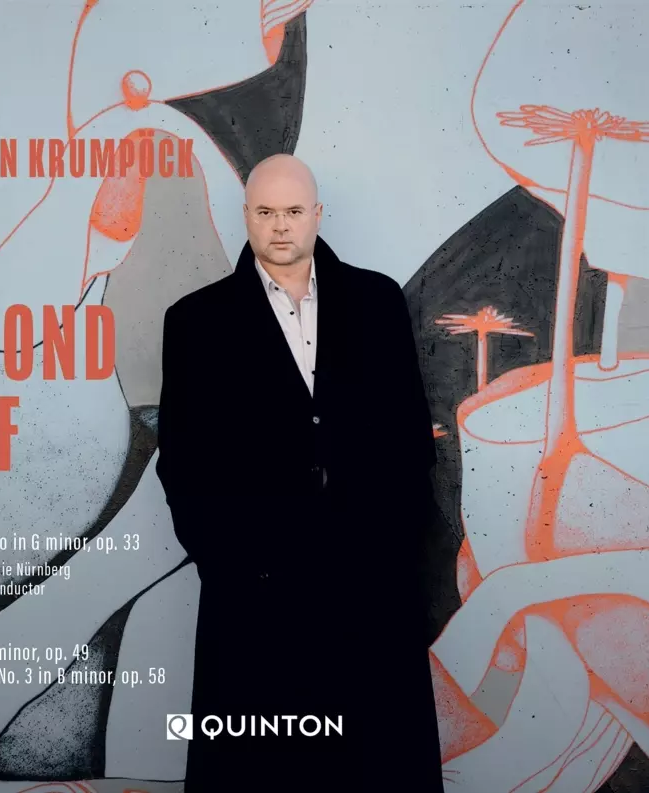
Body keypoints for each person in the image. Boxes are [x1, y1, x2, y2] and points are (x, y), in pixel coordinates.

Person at [156, 153, 443, 791]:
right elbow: (183, 463)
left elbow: (409, 439)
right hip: (256, 590)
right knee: (263, 770)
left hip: (370, 583)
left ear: (317, 214)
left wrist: (393, 549)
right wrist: (230, 564)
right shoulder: (196, 321)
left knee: (376, 763)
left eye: (292, 211)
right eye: (266, 212)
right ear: (246, 216)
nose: (280, 226)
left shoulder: (376, 301)